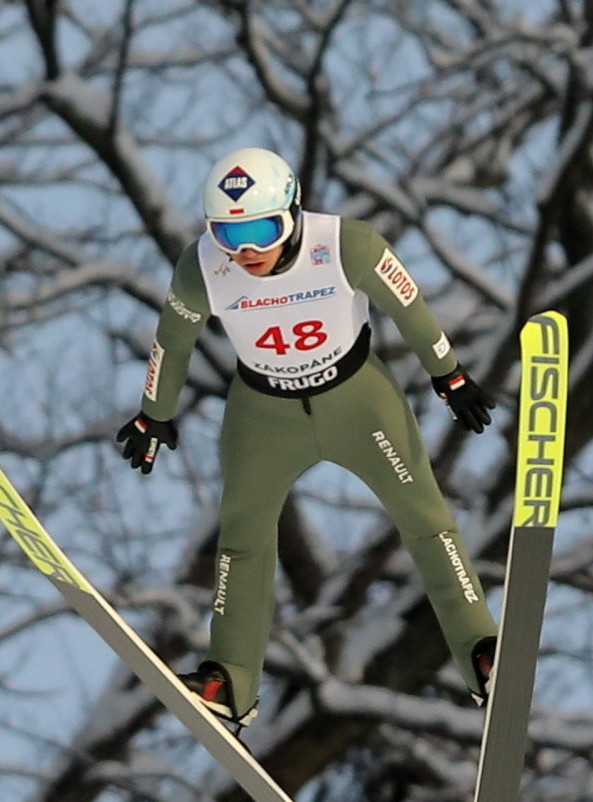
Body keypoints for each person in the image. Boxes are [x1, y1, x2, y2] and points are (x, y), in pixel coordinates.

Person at [116, 147, 498, 726]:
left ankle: (481, 651)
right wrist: (153, 413)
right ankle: (230, 682)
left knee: (425, 517)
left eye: (263, 229)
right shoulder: (203, 268)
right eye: (229, 233)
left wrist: (450, 375)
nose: (248, 251)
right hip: (264, 414)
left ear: (293, 214)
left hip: (358, 402)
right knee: (242, 539)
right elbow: (172, 340)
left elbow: (409, 305)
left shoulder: (347, 244)